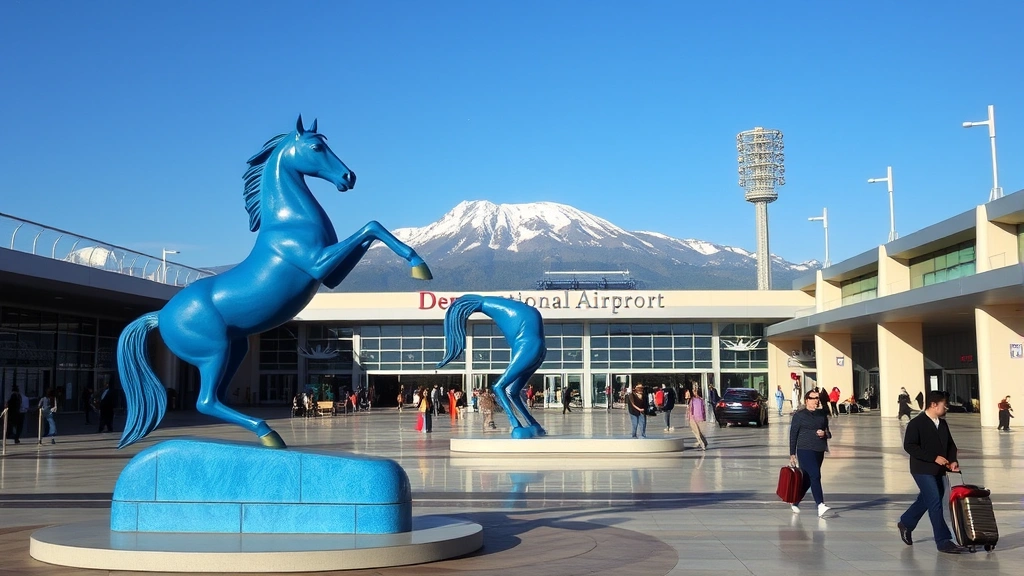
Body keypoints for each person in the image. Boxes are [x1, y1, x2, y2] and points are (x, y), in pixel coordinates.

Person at [897, 390, 967, 554]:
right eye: (944, 405)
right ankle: (943, 541)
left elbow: (950, 445)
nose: (946, 408)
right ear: (934, 405)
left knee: (928, 499)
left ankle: (906, 522)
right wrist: (933, 457)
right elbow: (910, 446)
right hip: (922, 468)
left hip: (939, 469)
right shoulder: (917, 423)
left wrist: (953, 460)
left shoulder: (942, 424)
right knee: (934, 500)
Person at [789, 389, 832, 517]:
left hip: (819, 449)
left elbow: (828, 433)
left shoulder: (821, 414)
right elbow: (793, 434)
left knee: (808, 479)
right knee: (815, 474)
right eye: (813, 398)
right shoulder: (799, 415)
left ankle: (795, 501)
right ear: (807, 400)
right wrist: (792, 453)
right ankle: (820, 504)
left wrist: (824, 434)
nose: (816, 401)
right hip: (804, 449)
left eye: (817, 398)